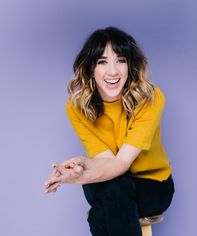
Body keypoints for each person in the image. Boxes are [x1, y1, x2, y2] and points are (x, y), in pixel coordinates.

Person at [44, 26, 175, 236]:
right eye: (102, 62)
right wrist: (81, 164)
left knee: (102, 209)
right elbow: (106, 160)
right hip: (112, 180)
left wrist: (78, 178)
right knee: (112, 187)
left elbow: (121, 163)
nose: (113, 71)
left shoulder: (150, 98)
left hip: (153, 186)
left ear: (130, 66)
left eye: (121, 60)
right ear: (90, 69)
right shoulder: (76, 107)